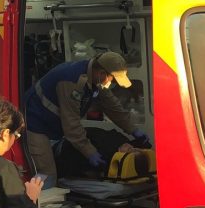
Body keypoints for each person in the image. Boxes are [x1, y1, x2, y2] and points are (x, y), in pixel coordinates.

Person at [23, 51, 149, 187]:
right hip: (35, 124)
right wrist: (91, 153)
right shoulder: (71, 81)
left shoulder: (96, 79)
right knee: (48, 174)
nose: (111, 82)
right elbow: (72, 125)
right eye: (112, 78)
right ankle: (33, 206)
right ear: (101, 73)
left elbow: (113, 108)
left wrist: (134, 130)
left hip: (54, 125)